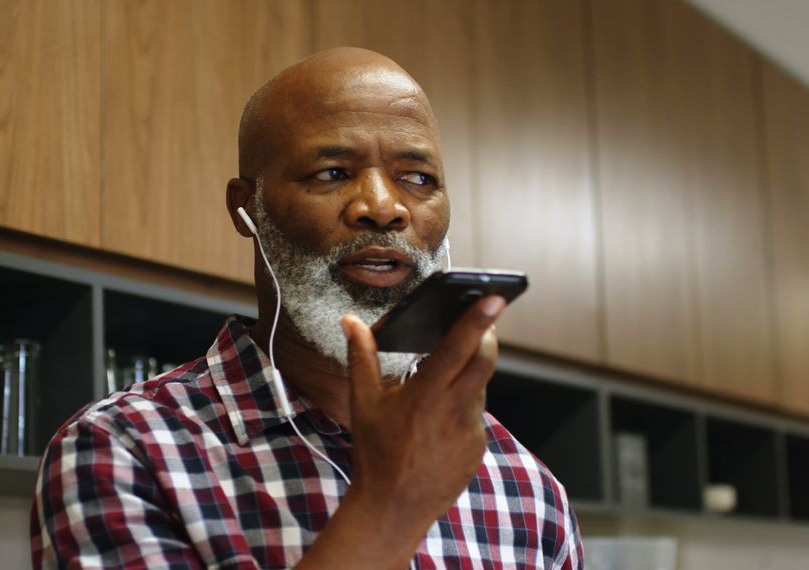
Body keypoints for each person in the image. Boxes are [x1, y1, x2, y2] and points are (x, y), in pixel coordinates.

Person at [32, 47, 583, 569]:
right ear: (246, 209)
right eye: (333, 173)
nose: (383, 208)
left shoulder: (527, 488)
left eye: (418, 179)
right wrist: (390, 507)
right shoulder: (124, 452)